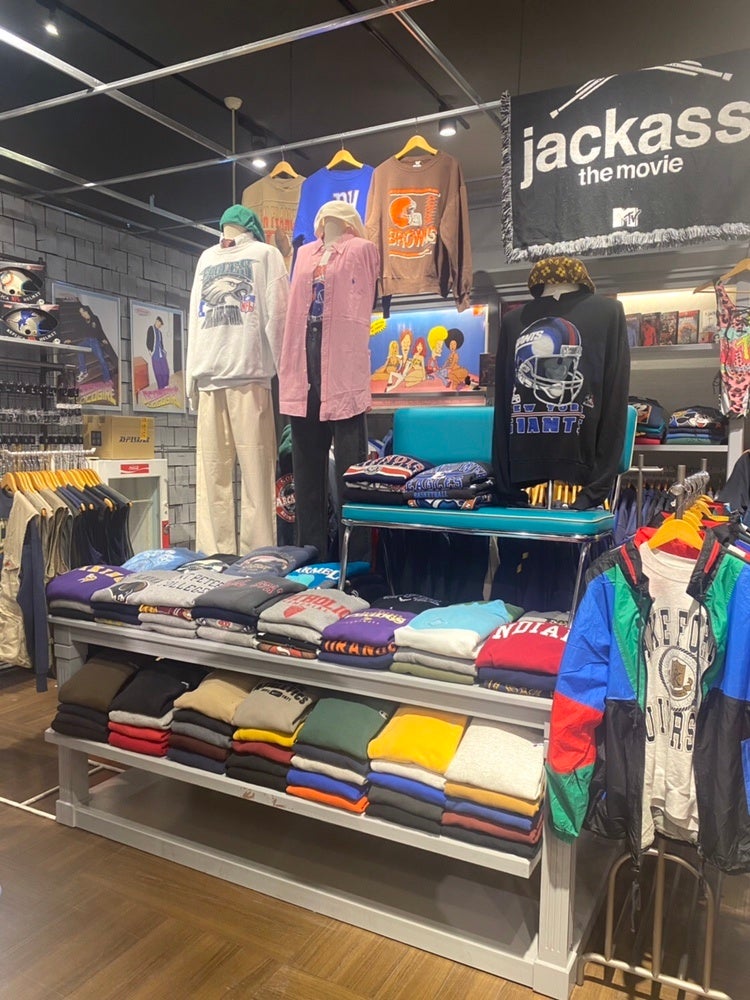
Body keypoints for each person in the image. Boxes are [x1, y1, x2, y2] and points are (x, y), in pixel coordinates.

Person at [76, 304, 112, 383]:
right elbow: (78, 331)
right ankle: (83, 371)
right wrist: (70, 339)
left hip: (94, 341)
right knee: (79, 347)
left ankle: (107, 379)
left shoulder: (95, 318)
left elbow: (99, 330)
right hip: (87, 340)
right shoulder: (82, 321)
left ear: (86, 311)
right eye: (81, 313)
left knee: (102, 360)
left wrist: (102, 339)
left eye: (82, 312)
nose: (82, 315)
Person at [146, 315, 171, 389]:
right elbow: (148, 340)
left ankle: (165, 385)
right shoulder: (151, 328)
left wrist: (164, 351)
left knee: (166, 370)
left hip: (161, 354)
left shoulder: (160, 332)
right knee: (158, 372)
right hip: (155, 353)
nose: (160, 326)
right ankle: (161, 387)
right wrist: (150, 350)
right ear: (157, 321)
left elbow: (161, 343)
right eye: (160, 324)